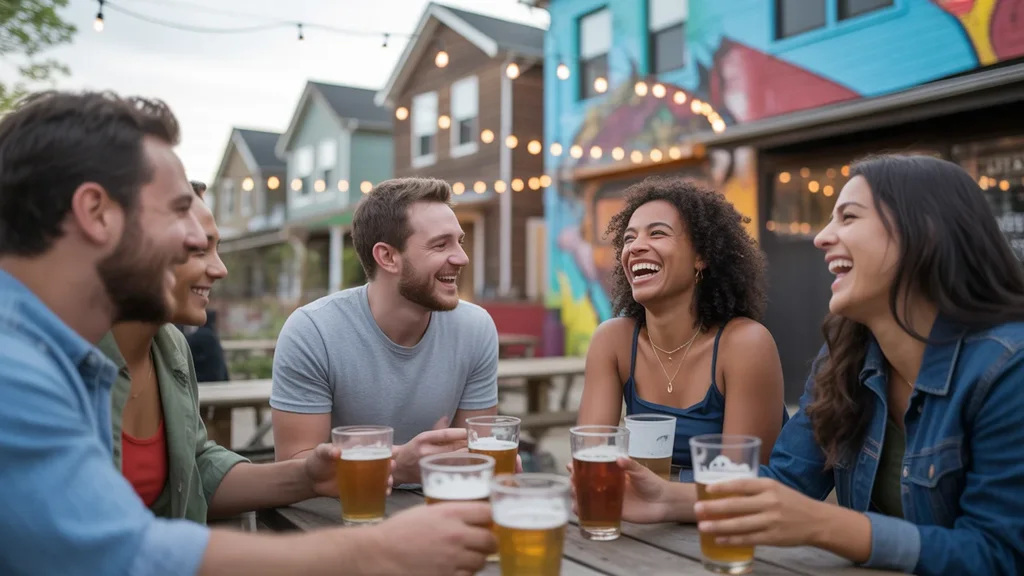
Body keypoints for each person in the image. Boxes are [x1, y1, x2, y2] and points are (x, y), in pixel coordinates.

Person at [0, 90, 495, 575]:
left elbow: (195, 471)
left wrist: (305, 474)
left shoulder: (140, 348)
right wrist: (376, 552)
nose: (199, 244)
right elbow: (115, 550)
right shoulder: (14, 366)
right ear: (95, 213)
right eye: (177, 210)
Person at [593, 155, 1024, 575]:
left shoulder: (1007, 370)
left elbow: (1001, 554)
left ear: (923, 233)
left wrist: (822, 524)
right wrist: (665, 500)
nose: (821, 237)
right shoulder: (845, 356)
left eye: (848, 217)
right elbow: (787, 478)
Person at [98, 181, 346, 522]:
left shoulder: (170, 348)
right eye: (199, 249)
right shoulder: (57, 358)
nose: (221, 269)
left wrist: (308, 477)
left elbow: (196, 466)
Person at [271, 177, 504, 486]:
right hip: (340, 516)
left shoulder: (475, 328)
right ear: (388, 257)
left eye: (459, 241)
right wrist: (398, 465)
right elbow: (292, 468)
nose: (462, 257)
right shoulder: (313, 331)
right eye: (441, 244)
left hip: (439, 506)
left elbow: (474, 455)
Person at [577, 177, 786, 475]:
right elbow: (590, 463)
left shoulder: (745, 345)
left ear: (701, 256)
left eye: (657, 233)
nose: (636, 247)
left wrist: (656, 495)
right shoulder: (613, 341)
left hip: (722, 519)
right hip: (640, 518)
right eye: (628, 238)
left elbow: (741, 485)